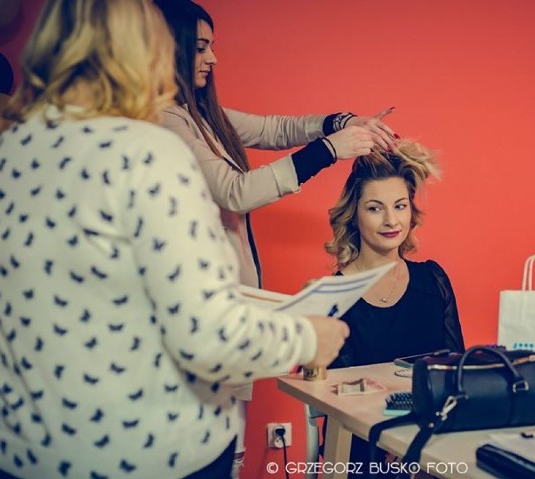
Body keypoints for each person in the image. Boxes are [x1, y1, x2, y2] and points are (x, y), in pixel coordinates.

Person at [0, 1, 348, 478]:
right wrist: (308, 335)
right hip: (146, 456)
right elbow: (206, 336)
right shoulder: (148, 151)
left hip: (16, 457)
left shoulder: (0, 155)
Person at [151, 1, 395, 472]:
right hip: (200, 309)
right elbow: (235, 191)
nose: (213, 59)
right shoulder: (165, 121)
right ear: (167, 50)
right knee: (211, 453)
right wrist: (329, 151)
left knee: (229, 450)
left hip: (227, 302)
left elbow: (274, 129)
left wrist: (342, 122)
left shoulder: (199, 114)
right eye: (202, 47)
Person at [324, 141, 465, 474]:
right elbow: (340, 397)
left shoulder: (433, 280)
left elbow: (455, 373)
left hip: (432, 443)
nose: (391, 220)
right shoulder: (333, 295)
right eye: (375, 208)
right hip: (363, 449)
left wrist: (419, 443)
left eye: (400, 206)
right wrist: (394, 443)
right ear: (354, 215)